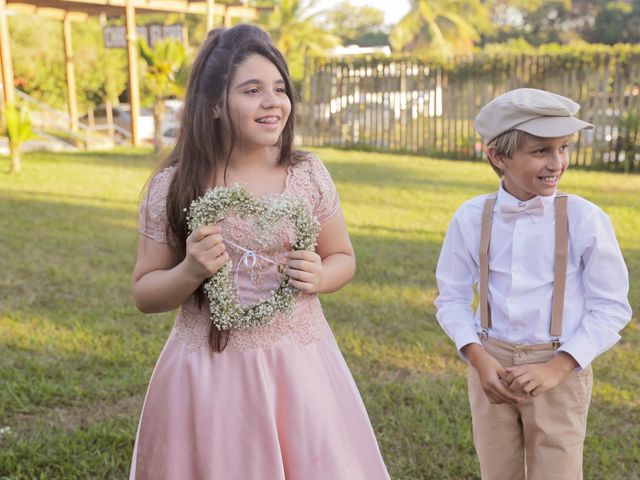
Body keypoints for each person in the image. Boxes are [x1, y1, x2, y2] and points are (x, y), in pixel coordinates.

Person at [130, 24, 389, 480]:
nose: (273, 101)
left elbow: (342, 257)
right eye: (252, 90)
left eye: (279, 88)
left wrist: (321, 276)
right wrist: (190, 269)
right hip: (209, 372)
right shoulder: (174, 186)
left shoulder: (307, 172)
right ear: (212, 105)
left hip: (300, 367)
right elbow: (145, 293)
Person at [434, 88, 632, 479]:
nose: (557, 162)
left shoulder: (585, 219)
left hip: (559, 370)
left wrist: (557, 368)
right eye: (541, 151)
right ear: (498, 156)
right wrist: (477, 357)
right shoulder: (472, 217)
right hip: (491, 366)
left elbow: (612, 307)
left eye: (563, 148)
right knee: (498, 470)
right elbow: (452, 297)